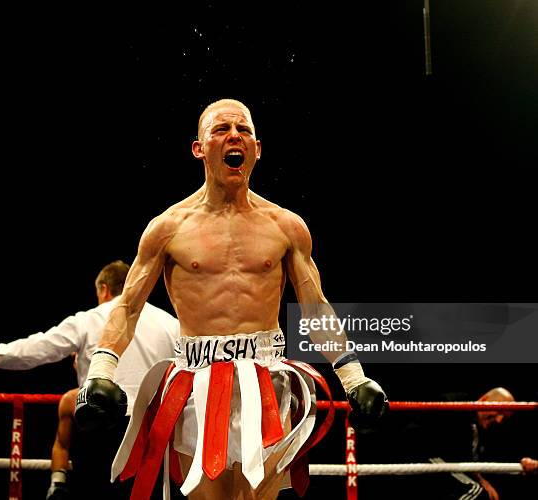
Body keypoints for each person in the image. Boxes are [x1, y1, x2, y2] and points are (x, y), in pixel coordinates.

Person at [75, 99, 388, 499]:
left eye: (244, 129)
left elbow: (315, 306)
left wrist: (353, 376)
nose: (234, 135)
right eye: (221, 129)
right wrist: (101, 369)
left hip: (269, 380)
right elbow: (128, 306)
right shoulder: (167, 228)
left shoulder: (286, 226)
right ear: (199, 148)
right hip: (197, 384)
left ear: (257, 148)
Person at [0, 260, 180, 498]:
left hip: (101, 424)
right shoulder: (169, 323)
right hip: (154, 428)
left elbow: (41, 347)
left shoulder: (90, 319)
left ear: (104, 289)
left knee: (96, 491)